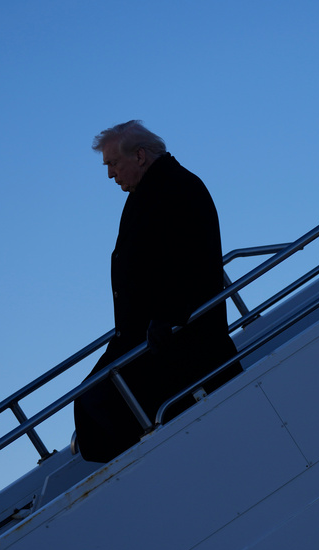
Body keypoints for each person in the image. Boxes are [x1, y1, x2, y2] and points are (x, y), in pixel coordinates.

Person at [73, 120, 239, 463]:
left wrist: (167, 315)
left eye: (113, 164)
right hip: (151, 331)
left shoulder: (175, 187)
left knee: (99, 402)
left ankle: (143, 469)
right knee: (95, 401)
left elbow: (191, 254)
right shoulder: (155, 189)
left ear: (140, 155)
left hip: (171, 333)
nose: (110, 174)